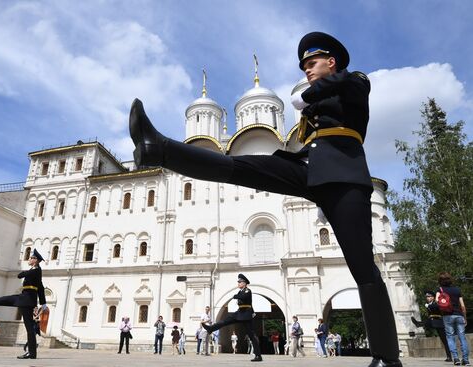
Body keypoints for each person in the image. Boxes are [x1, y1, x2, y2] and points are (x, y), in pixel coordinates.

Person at [128, 31, 402, 367]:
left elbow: (347, 86)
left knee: (363, 269)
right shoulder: (319, 102)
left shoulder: (354, 83)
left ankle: (387, 358)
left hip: (344, 179)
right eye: (304, 68)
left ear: (332, 62)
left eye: (313, 63)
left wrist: (311, 94)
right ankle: (160, 149)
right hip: (307, 171)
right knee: (241, 167)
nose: (308, 71)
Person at [201, 274, 262, 362]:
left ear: (244, 283)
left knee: (251, 335)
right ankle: (211, 328)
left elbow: (244, 298)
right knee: (225, 321)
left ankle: (258, 356)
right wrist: (236, 296)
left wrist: (236, 296)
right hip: (240, 312)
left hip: (246, 314)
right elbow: (242, 299)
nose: (238, 283)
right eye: (238, 282)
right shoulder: (240, 291)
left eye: (240, 282)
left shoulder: (247, 291)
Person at [436, 272, 469, 366]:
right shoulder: (457, 290)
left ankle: (456, 359)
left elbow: (436, 301)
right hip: (459, 315)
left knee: (450, 337)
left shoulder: (440, 289)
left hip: (447, 316)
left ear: (440, 281)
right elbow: (462, 306)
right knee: (462, 337)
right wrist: (465, 317)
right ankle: (466, 360)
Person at [411, 291, 452, 362]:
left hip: (439, 322)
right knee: (428, 321)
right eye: (427, 297)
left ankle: (449, 357)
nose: (428, 298)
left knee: (444, 340)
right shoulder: (429, 304)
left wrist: (429, 306)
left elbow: (437, 307)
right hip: (433, 321)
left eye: (429, 296)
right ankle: (419, 324)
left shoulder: (436, 302)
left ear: (433, 297)